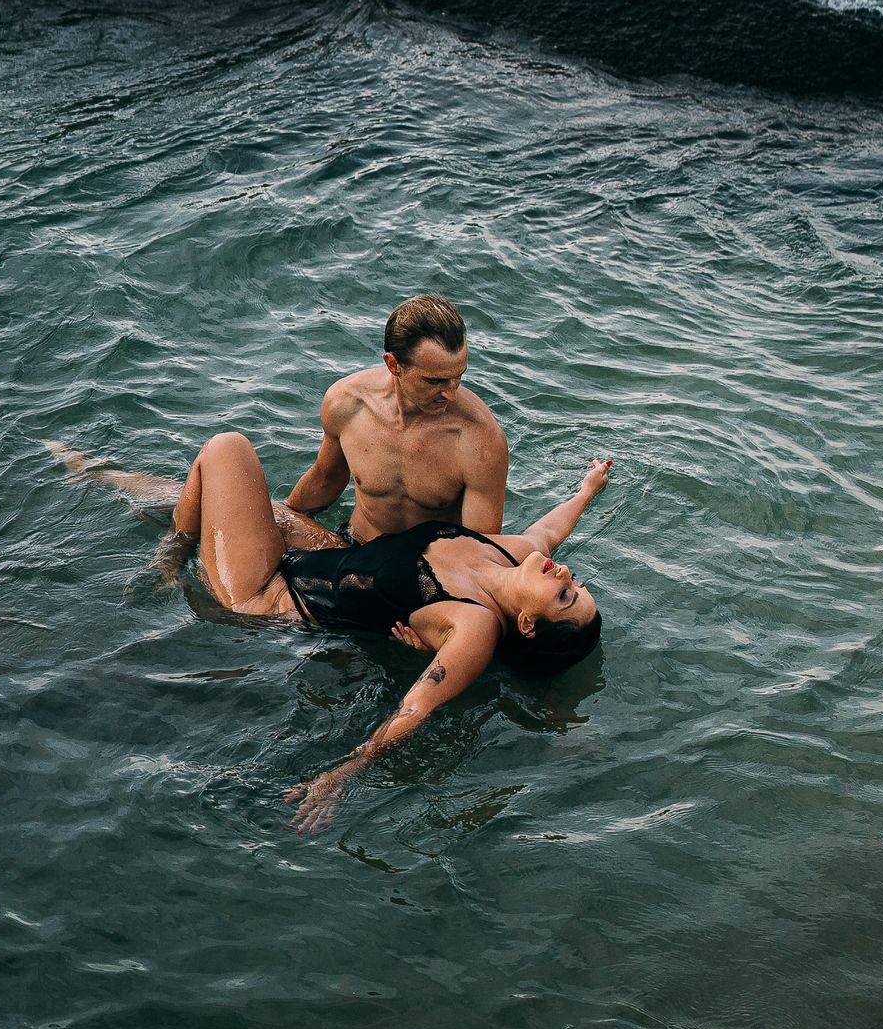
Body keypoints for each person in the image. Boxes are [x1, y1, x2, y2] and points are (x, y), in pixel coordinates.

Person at [46, 432, 611, 833]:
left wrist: (343, 774)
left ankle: (165, 554)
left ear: (529, 624)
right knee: (229, 495)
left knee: (227, 452)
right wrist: (586, 490)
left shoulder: (475, 624)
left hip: (269, 598)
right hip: (327, 558)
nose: (562, 573)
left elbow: (417, 710)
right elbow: (549, 529)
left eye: (564, 594)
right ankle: (103, 478)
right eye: (574, 581)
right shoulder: (515, 553)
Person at [283, 294, 508, 542]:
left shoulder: (479, 439)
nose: (451, 394)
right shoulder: (346, 404)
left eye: (459, 376)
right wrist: (286, 518)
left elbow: (483, 550)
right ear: (393, 365)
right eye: (435, 381)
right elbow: (326, 479)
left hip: (425, 570)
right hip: (351, 547)